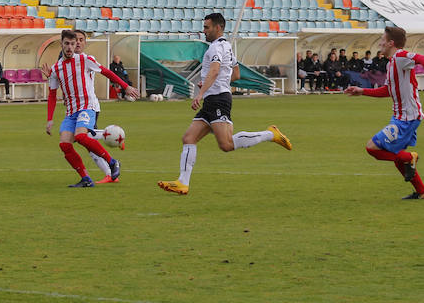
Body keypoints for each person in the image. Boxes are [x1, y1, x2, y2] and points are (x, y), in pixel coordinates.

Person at [158, 13, 291, 195]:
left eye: (207, 27)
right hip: (215, 97)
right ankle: (182, 182)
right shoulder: (226, 46)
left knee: (227, 144)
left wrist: (202, 92)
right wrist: (211, 84)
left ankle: (271, 134)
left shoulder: (214, 49)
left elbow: (214, 70)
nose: (204, 31)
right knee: (189, 138)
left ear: (218, 28)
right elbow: (235, 74)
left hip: (218, 99)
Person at [345, 26, 424, 200]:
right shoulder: (392, 63)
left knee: (372, 147)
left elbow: (423, 58)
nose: (380, 42)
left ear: (391, 43)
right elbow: (388, 90)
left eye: (383, 39)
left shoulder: (401, 57)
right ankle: (422, 191)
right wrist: (362, 91)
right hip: (402, 117)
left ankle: (410, 157)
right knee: (399, 159)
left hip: (407, 118)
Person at [45, 30, 136, 187]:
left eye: (73, 44)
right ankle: (86, 179)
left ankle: (112, 162)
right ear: (61, 44)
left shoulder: (85, 59)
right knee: (65, 145)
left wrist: (125, 86)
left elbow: (106, 72)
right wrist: (49, 119)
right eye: (66, 43)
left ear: (76, 45)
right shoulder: (55, 69)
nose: (70, 47)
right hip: (70, 111)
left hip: (87, 106)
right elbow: (52, 94)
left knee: (81, 137)